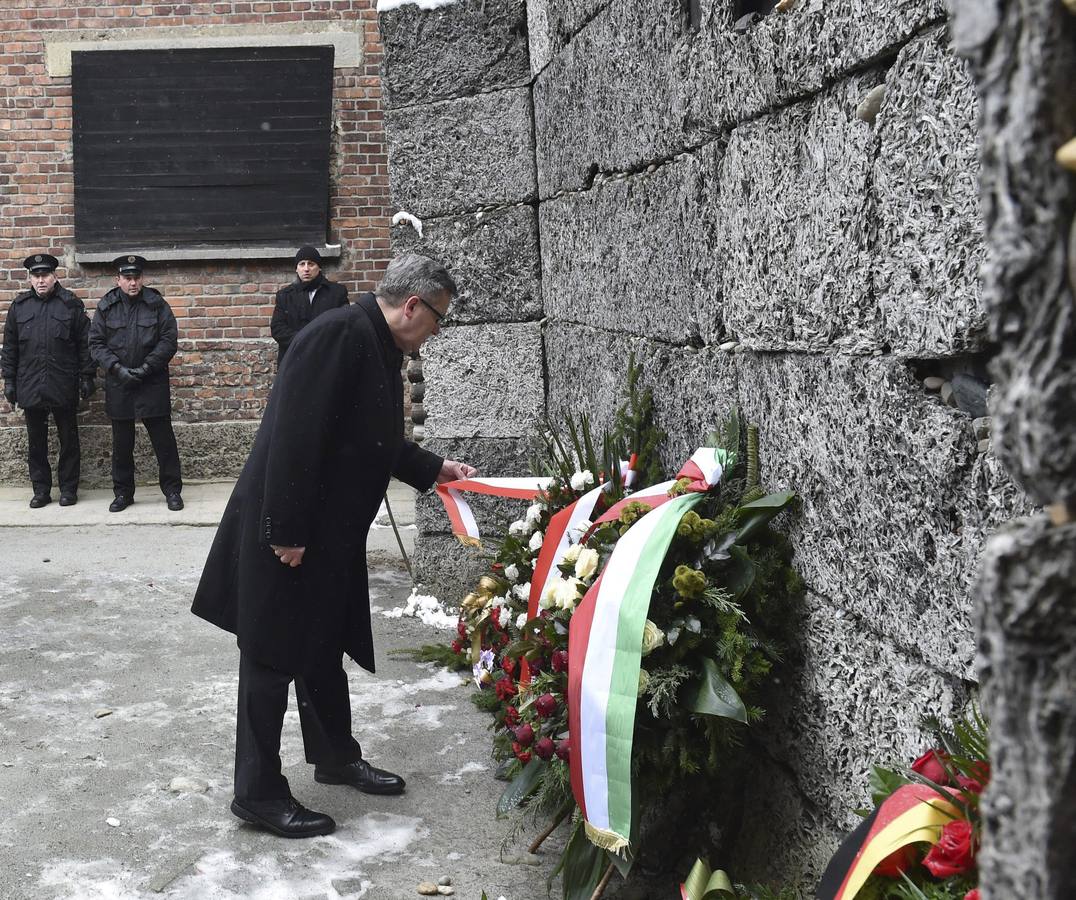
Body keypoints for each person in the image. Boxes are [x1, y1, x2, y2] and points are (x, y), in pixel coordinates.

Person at [192, 254, 475, 839]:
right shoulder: (336, 335)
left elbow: (367, 437)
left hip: (325, 534)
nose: (437, 332)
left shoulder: (372, 340)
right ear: (412, 306)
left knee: (321, 642)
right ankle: (258, 793)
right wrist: (288, 532)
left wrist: (433, 468)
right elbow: (294, 437)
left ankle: (335, 755)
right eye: (438, 319)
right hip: (289, 531)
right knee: (270, 657)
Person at [88, 255, 183, 512]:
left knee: (164, 441)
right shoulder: (106, 306)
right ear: (117, 280)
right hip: (119, 384)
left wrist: (146, 367)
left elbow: (168, 339)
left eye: (136, 277)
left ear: (142, 278)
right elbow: (96, 343)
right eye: (127, 278)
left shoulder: (156, 304)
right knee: (122, 444)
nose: (133, 283)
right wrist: (117, 369)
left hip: (151, 382)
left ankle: (172, 490)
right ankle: (123, 494)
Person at [1, 253, 95, 507]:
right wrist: (9, 380)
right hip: (30, 383)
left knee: (68, 440)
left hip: (63, 381)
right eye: (36, 276)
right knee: (36, 442)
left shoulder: (70, 305)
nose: (41, 280)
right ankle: (41, 490)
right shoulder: (19, 307)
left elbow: (85, 345)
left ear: (55, 276)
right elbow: (9, 347)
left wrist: (87, 376)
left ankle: (68, 489)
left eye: (45, 275)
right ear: (30, 279)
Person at [269, 245, 349, 365]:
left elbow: (344, 325)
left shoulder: (336, 293)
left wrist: (319, 342)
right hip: (294, 360)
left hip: (326, 360)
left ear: (319, 267)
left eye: (311, 264)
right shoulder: (285, 296)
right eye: (302, 264)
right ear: (296, 269)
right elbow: (278, 328)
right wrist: (303, 341)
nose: (306, 269)